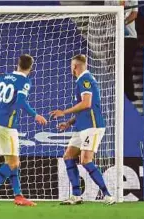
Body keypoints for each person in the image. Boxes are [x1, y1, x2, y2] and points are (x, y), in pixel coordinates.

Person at [0, 54, 47, 206]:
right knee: (13, 162)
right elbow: (21, 101)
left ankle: (18, 196)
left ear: (17, 64)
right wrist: (35, 115)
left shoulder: (4, 77)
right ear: (30, 67)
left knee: (12, 162)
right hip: (7, 126)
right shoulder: (25, 81)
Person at [51, 54, 115, 205]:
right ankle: (76, 195)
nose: (70, 68)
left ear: (75, 66)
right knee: (68, 156)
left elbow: (87, 103)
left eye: (71, 66)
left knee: (86, 160)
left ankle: (107, 195)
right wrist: (69, 122)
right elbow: (85, 108)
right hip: (82, 127)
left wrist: (64, 112)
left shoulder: (85, 79)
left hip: (91, 127)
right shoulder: (82, 80)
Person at [106, 0, 139, 101]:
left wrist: (122, 23)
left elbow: (134, 14)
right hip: (113, 35)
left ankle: (129, 94)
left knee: (126, 65)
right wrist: (116, 22)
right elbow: (107, 13)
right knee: (113, 65)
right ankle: (113, 92)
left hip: (129, 37)